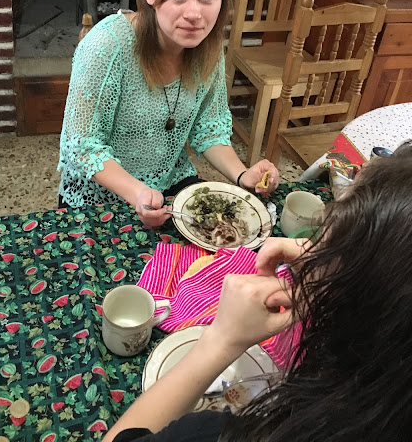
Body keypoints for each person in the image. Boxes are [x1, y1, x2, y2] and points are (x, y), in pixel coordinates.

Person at [103, 145, 412, 442]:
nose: (313, 248)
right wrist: (325, 261)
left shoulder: (229, 431)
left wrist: (222, 339)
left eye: (329, 241)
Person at [58, 0, 279, 224]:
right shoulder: (107, 45)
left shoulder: (209, 47)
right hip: (99, 195)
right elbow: (82, 145)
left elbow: (209, 129)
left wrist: (242, 174)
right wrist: (138, 192)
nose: (194, 14)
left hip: (169, 182)